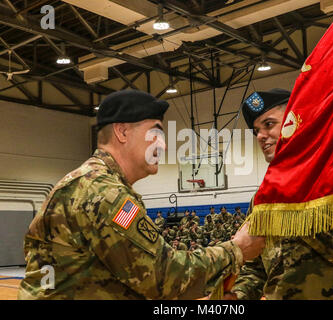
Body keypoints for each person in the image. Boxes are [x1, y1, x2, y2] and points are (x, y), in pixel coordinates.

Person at [18, 89, 265, 300]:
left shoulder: (90, 183)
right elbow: (163, 277)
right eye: (155, 133)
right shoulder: (104, 193)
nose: (164, 145)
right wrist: (237, 249)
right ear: (122, 132)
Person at [226, 89, 333, 300]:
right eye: (256, 130)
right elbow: (256, 268)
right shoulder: (264, 197)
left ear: (296, 122)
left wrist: (301, 215)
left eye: (269, 125)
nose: (260, 136)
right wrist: (238, 295)